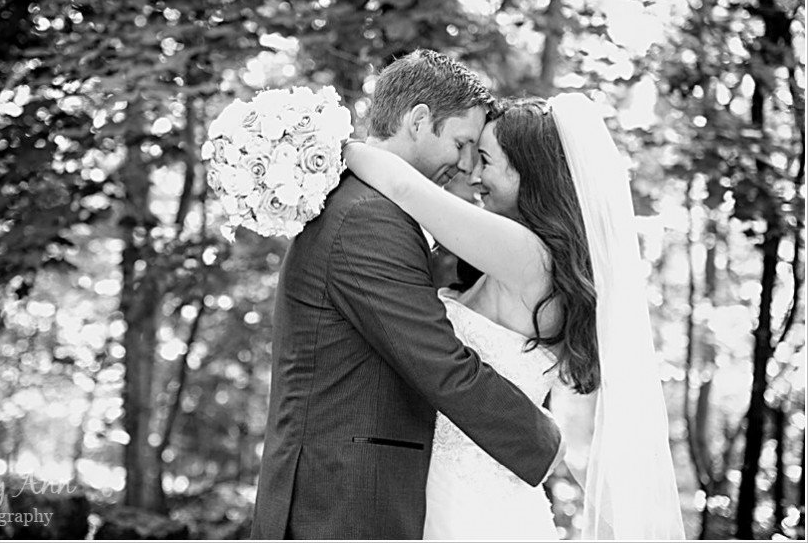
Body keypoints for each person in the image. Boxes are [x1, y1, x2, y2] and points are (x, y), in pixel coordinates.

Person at [251, 50, 564, 540]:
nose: (465, 168)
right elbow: (438, 363)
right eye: (463, 144)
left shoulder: (364, 203)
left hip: (367, 496)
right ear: (419, 121)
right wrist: (543, 442)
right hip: (338, 505)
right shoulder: (367, 216)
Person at [344, 94, 686, 539]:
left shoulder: (528, 256)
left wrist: (327, 146)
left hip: (474, 510)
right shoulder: (531, 260)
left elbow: (406, 188)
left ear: (531, 173)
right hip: (449, 493)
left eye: (486, 159)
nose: (474, 174)